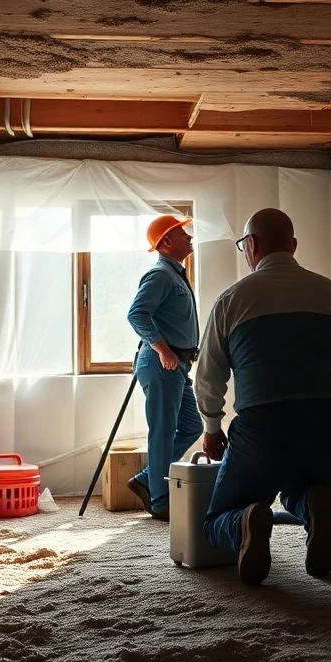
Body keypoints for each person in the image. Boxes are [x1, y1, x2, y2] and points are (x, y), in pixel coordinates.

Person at [194, 208, 331, 585]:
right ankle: (317, 505)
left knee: (216, 519)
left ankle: (246, 520)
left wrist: (212, 427)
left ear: (252, 246)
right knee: (305, 484)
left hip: (265, 430)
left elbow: (209, 373)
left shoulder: (232, 299)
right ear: (293, 246)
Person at [125, 214, 202, 520]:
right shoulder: (160, 275)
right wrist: (163, 349)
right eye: (183, 233)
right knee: (163, 431)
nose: (190, 237)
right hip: (162, 364)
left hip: (178, 366)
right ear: (167, 242)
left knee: (192, 426)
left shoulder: (176, 275)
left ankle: (146, 480)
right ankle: (159, 502)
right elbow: (136, 314)